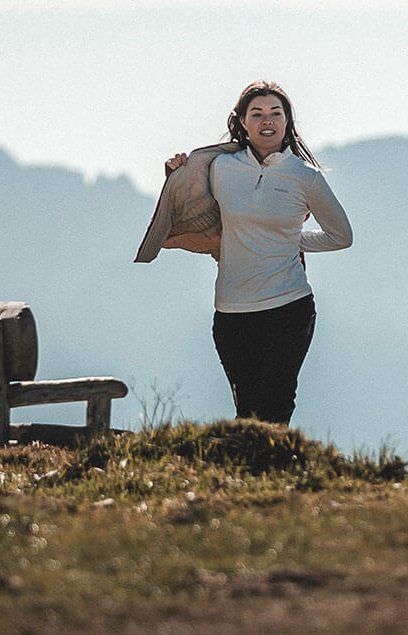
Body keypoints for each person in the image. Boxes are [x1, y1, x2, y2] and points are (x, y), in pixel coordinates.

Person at [134, 81, 352, 425]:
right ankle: (249, 477)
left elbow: (341, 235)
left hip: (289, 306)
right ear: (243, 123)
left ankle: (275, 474)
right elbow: (190, 212)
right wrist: (176, 173)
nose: (268, 120)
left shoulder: (304, 177)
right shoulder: (219, 168)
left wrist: (289, 241)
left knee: (277, 402)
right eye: (258, 114)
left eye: (276, 113)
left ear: (287, 121)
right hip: (232, 312)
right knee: (247, 411)